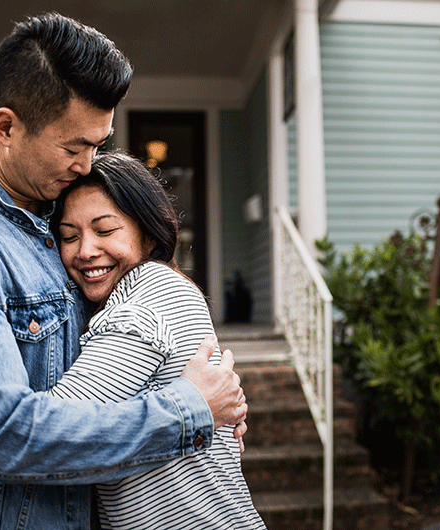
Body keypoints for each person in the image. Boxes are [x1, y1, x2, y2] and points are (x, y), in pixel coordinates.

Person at [0, 13, 246, 530]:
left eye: (97, 144)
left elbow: (116, 345)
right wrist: (189, 411)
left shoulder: (57, 213)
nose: (87, 164)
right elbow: (10, 437)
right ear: (6, 127)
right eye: (74, 147)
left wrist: (217, 396)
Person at [44, 151, 266, 529]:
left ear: (147, 234)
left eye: (105, 230)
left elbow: (52, 431)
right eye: (69, 236)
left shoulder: (150, 288)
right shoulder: (125, 298)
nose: (85, 251)